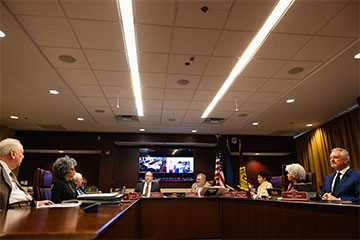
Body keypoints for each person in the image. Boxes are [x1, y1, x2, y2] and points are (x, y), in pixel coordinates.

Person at [0, 138, 53, 210]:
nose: (23, 156)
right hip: (14, 212)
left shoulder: (8, 172)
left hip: (25, 208)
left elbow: (17, 195)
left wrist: (37, 203)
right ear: (13, 154)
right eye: (21, 153)